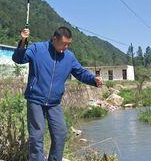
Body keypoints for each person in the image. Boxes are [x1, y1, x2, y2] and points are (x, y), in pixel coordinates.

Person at [12, 26, 103, 161]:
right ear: (54, 39)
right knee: (36, 137)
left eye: (68, 44)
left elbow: (80, 72)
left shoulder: (69, 57)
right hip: (36, 99)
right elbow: (19, 59)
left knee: (61, 133)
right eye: (64, 43)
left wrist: (93, 80)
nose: (66, 47)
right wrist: (23, 41)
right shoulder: (38, 49)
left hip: (54, 103)